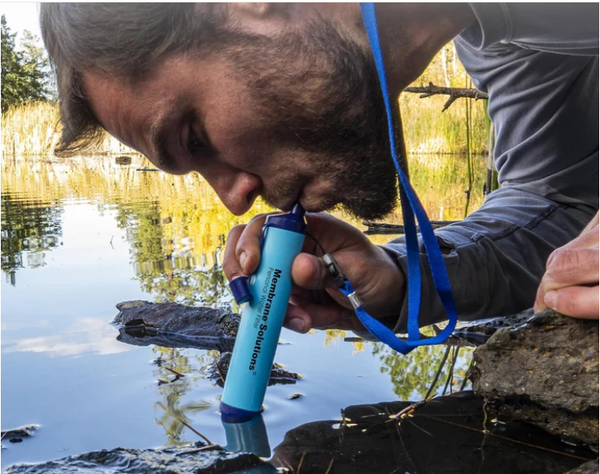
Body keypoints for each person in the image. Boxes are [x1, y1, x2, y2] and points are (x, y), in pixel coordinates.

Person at [40, 4, 599, 340]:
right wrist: (401, 280)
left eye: (194, 138)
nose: (235, 200)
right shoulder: (497, 46)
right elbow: (563, 207)